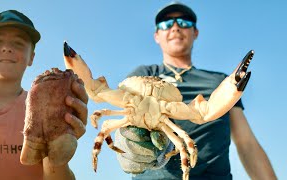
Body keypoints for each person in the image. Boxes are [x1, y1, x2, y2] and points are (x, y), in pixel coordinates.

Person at [114, 2, 277, 180]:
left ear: (195, 32)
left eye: (184, 22)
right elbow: (125, 118)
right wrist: (123, 143)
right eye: (166, 24)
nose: (175, 27)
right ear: (156, 36)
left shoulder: (220, 82)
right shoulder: (143, 76)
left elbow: (247, 144)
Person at [0, 10, 88, 179]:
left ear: (31, 57)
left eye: (18, 43)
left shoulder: (48, 104)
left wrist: (59, 146)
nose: (7, 48)